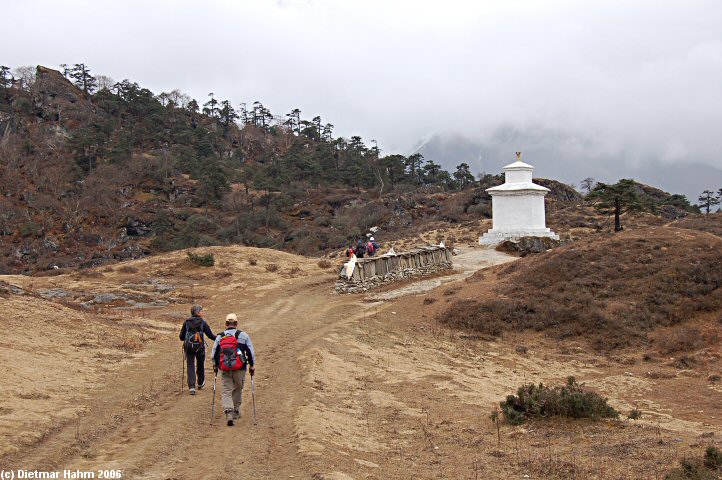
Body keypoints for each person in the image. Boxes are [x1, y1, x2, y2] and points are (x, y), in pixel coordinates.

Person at [211, 313, 256, 426]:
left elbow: (214, 353)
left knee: (226, 390)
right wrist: (252, 365)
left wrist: (215, 365)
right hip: (240, 367)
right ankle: (236, 410)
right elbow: (250, 351)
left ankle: (229, 412)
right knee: (238, 387)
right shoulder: (243, 335)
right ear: (236, 324)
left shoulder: (220, 336)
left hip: (225, 367)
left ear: (226, 324)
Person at [179, 305, 216, 395]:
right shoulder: (202, 322)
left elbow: (181, 337)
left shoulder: (186, 322)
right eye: (201, 311)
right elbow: (210, 335)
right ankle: (200, 382)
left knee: (190, 365)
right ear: (198, 313)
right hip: (200, 347)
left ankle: (192, 387)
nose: (202, 313)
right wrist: (220, 338)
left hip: (189, 347)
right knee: (200, 364)